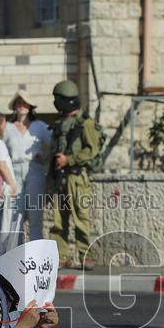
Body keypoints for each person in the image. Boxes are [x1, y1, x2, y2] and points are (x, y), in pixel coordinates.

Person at [50, 80, 98, 271]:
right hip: (62, 177)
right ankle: (61, 256)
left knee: (81, 218)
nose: (56, 103)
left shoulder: (85, 123)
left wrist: (68, 160)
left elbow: (92, 150)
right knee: (59, 220)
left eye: (58, 99)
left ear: (67, 100)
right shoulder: (61, 123)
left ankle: (86, 256)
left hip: (77, 178)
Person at [3, 90, 52, 244]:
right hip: (13, 172)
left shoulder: (40, 126)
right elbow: (0, 151)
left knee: (35, 215)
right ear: (14, 107)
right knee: (15, 215)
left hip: (34, 170)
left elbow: (54, 144)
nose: (22, 106)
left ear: (30, 107)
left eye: (25, 103)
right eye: (19, 103)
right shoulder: (7, 128)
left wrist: (45, 158)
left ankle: (36, 255)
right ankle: (16, 253)